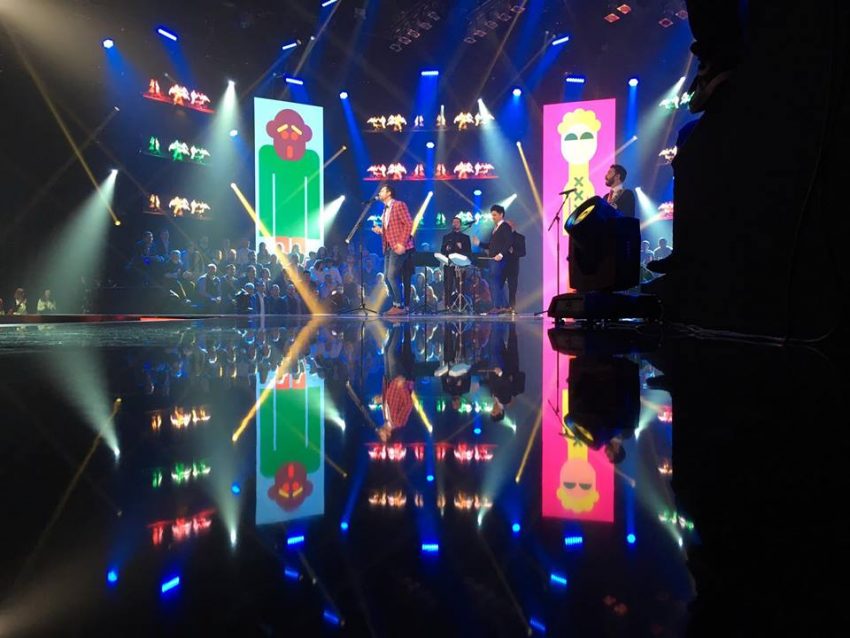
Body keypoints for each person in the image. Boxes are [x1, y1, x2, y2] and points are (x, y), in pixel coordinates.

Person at [371, 183, 413, 316]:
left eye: (382, 191)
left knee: (391, 276)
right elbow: (390, 231)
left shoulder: (399, 205)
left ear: (389, 193)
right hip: (389, 247)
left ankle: (400, 306)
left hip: (399, 246)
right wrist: (380, 231)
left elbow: (409, 224)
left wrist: (402, 243)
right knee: (386, 277)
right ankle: (396, 304)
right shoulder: (385, 210)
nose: (379, 193)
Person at [474, 204, 514, 314]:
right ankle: (504, 306)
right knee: (496, 282)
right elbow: (491, 245)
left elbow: (509, 241)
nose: (493, 217)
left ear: (501, 214)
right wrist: (479, 243)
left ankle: (498, 306)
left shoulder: (505, 226)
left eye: (495, 215)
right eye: (492, 215)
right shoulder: (495, 228)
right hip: (493, 259)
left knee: (495, 282)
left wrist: (501, 254)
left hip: (499, 259)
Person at [441, 216, 472, 308]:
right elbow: (442, 251)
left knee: (460, 286)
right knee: (448, 285)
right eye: (454, 222)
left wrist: (462, 247)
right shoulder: (447, 237)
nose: (455, 224)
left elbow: (469, 252)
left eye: (457, 222)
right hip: (449, 264)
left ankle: (460, 306)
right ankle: (448, 306)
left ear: (460, 225)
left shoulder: (465, 238)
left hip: (460, 265)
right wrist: (446, 249)